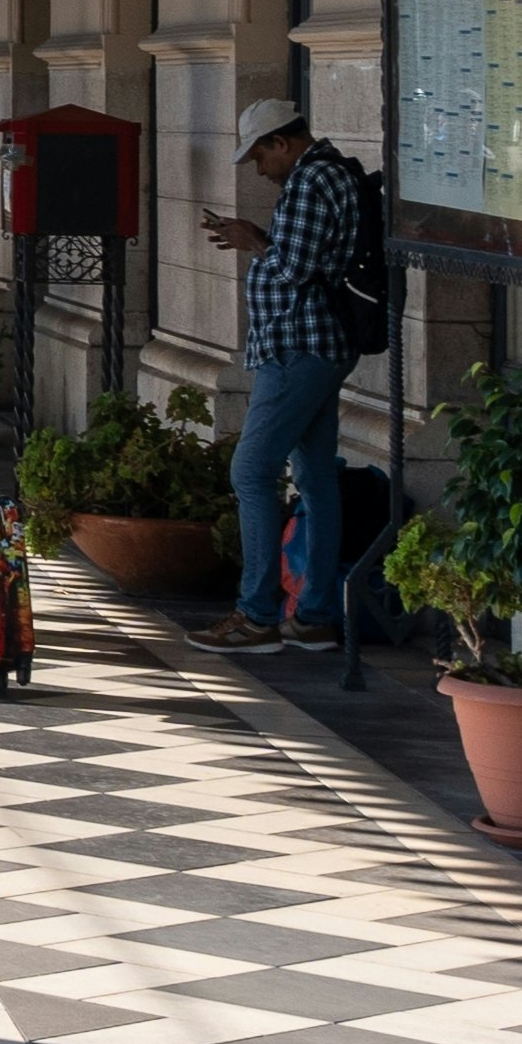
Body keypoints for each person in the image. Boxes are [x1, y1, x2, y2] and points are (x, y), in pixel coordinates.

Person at [203, 102, 388, 646]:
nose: (259, 168)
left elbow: (292, 268)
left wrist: (250, 240)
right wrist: (259, 234)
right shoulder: (323, 176)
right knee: (314, 477)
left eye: (260, 155)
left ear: (282, 142)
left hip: (299, 347)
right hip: (313, 346)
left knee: (251, 470)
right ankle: (315, 616)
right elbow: (305, 256)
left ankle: (258, 613)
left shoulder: (313, 180)